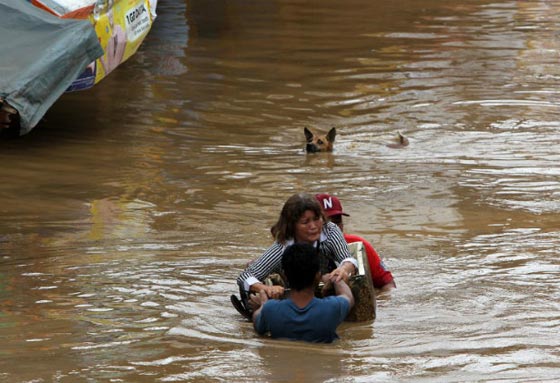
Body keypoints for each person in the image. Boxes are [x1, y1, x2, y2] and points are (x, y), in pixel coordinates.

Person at [232, 193, 358, 319]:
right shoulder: (282, 247)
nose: (313, 226)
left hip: (326, 283)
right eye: (305, 222)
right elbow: (245, 277)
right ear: (292, 226)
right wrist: (265, 288)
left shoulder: (330, 231)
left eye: (316, 219)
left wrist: (344, 269)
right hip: (296, 292)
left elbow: (347, 258)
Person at [252, 243, 354, 343]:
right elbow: (348, 297)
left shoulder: (270, 310)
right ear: (318, 276)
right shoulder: (332, 307)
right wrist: (336, 278)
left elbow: (258, 324)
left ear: (285, 276)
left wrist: (261, 305)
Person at [315, 193, 396, 291]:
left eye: (337, 221)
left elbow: (388, 284)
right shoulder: (297, 248)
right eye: (326, 222)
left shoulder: (360, 246)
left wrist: (378, 300)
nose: (331, 228)